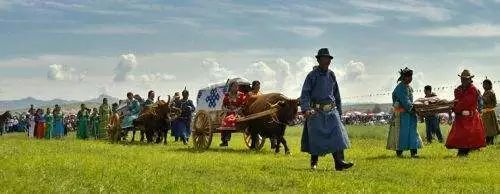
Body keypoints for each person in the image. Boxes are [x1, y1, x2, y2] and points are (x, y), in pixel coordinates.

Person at [300, 48, 353, 171]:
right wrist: (306, 108)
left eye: (328, 59)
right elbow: (305, 93)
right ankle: (314, 162)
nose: (327, 61)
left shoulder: (331, 74)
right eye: (324, 58)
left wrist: (339, 111)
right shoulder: (311, 76)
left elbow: (336, 93)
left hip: (331, 110)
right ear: (319, 60)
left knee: (338, 135)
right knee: (316, 137)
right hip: (316, 111)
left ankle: (339, 162)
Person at [446, 70, 486, 157]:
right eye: (462, 79)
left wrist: (455, 108)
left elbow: (465, 102)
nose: (463, 81)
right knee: (460, 135)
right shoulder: (459, 89)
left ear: (470, 79)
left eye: (465, 79)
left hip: (470, 117)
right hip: (460, 117)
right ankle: (462, 151)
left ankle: (464, 151)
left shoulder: (473, 90)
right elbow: (457, 100)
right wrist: (452, 106)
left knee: (468, 135)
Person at [387, 68, 422, 158]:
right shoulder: (400, 88)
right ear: (404, 77)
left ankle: (414, 153)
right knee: (401, 133)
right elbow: (405, 101)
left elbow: (409, 101)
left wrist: (414, 109)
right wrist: (413, 108)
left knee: (413, 132)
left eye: (411, 76)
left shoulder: (409, 87)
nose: (410, 78)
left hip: (410, 114)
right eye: (408, 76)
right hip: (401, 115)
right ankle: (399, 153)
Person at [220, 81, 247, 147]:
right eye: (234, 86)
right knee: (226, 120)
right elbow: (223, 106)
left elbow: (243, 105)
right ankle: (225, 140)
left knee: (230, 119)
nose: (236, 88)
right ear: (231, 87)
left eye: (237, 86)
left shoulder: (241, 95)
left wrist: (237, 110)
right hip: (228, 113)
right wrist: (226, 109)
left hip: (238, 113)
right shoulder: (227, 95)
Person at [481, 78, 499, 145]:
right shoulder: (486, 92)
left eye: (485, 84)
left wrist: (480, 96)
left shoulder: (490, 92)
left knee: (489, 128)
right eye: (483, 84)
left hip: (489, 113)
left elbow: (487, 101)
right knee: (486, 128)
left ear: (489, 85)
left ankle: (490, 142)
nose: (484, 86)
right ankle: (488, 142)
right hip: (486, 113)